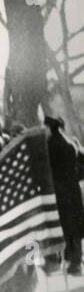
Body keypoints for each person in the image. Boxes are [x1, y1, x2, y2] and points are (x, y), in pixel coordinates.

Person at [45, 116, 83, 274]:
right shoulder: (70, 143)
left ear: (49, 128)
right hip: (72, 192)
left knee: (56, 226)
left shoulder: (49, 145)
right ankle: (75, 261)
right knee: (73, 227)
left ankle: (54, 260)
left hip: (57, 192)